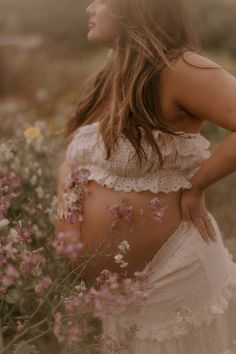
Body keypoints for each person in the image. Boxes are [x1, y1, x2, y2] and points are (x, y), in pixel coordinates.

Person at [56, 0, 236, 352]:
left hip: (175, 283)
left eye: (102, 0)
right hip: (118, 302)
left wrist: (197, 183)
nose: (90, 7)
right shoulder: (108, 76)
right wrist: (66, 212)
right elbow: (74, 158)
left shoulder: (179, 68)